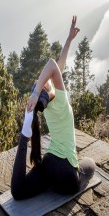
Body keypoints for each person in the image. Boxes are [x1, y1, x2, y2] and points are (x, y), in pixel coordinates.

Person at [11, 15, 95, 200]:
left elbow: (59, 66)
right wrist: (35, 93)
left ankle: (23, 139)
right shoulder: (61, 101)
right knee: (90, 164)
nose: (47, 81)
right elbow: (53, 64)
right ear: (47, 89)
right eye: (44, 83)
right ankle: (68, 177)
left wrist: (69, 39)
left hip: (49, 164)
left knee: (19, 191)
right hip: (66, 175)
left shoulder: (45, 106)